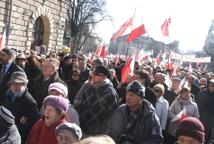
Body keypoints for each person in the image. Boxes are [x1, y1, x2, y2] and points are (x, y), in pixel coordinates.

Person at [74, 65, 119, 136]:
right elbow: (78, 103)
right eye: (93, 73)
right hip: (81, 128)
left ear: (104, 77)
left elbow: (112, 116)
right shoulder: (87, 86)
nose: (93, 76)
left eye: (96, 74)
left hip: (97, 133)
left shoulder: (110, 92)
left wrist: (102, 133)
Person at [3, 71, 39, 142]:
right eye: (13, 84)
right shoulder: (8, 95)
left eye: (19, 84)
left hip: (18, 136)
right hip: (5, 131)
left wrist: (17, 126)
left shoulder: (30, 101)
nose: (16, 86)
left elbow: (34, 122)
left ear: (25, 85)